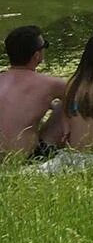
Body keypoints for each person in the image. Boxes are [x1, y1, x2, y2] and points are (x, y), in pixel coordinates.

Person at [1, 26, 68, 157]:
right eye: (45, 45)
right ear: (37, 55)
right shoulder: (51, 84)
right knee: (69, 103)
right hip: (24, 159)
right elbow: (83, 99)